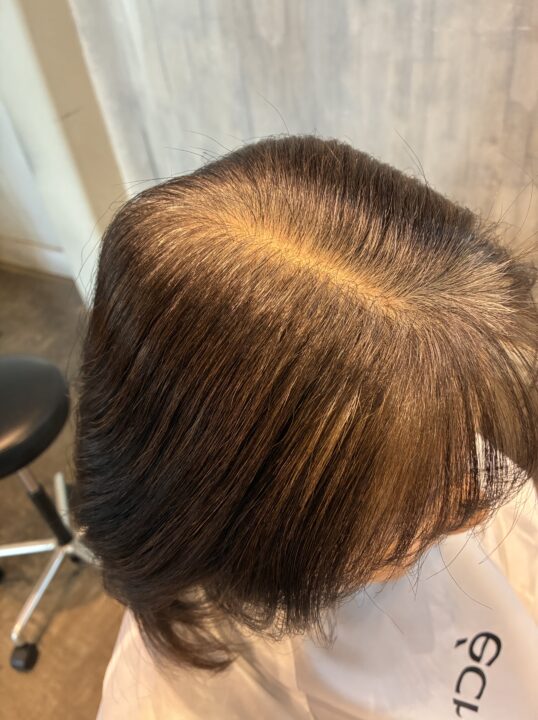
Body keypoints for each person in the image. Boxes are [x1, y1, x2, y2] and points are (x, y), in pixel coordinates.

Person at [72, 135, 538, 719]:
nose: (476, 504)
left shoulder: (421, 432)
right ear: (261, 527)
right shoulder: (171, 705)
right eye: (416, 511)